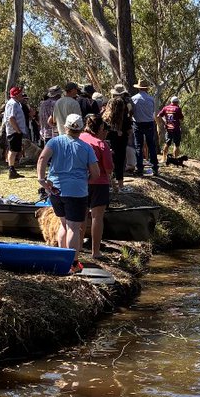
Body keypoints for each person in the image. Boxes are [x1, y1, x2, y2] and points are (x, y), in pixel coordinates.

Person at [37, 113, 99, 273]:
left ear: (66, 127)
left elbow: (42, 158)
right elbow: (96, 173)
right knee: (74, 228)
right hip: (77, 192)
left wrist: (41, 179)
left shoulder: (55, 142)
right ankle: (73, 263)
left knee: (64, 224)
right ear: (81, 129)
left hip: (56, 189)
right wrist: (85, 180)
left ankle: (61, 259)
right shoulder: (86, 147)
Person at [80, 114, 114, 259]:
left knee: (80, 215)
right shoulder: (101, 144)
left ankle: (79, 246)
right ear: (100, 128)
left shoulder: (79, 138)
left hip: (80, 182)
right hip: (99, 183)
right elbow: (108, 168)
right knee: (97, 217)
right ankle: (95, 251)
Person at [103, 85, 133, 186]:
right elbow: (128, 122)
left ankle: (110, 183)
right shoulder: (124, 104)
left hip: (110, 135)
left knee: (110, 157)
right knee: (120, 159)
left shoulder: (109, 104)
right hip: (122, 136)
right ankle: (120, 184)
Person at [131, 81, 159, 176]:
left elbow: (132, 112)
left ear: (138, 88)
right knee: (151, 145)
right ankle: (155, 167)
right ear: (147, 88)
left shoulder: (133, 99)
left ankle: (139, 168)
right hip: (149, 123)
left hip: (137, 124)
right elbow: (152, 111)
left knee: (138, 146)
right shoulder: (151, 99)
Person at [1, 86, 28, 179]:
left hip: (16, 131)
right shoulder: (12, 104)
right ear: (16, 94)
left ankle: (12, 168)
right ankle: (11, 169)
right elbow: (11, 118)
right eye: (20, 93)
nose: (22, 95)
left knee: (15, 149)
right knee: (12, 150)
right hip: (13, 131)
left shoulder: (17, 104)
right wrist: (17, 130)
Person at [157, 94, 184, 165]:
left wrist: (165, 122)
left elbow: (158, 115)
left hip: (168, 129)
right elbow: (182, 118)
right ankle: (175, 159)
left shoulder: (166, 108)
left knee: (167, 143)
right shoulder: (177, 109)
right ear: (177, 102)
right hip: (176, 129)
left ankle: (163, 158)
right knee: (176, 144)